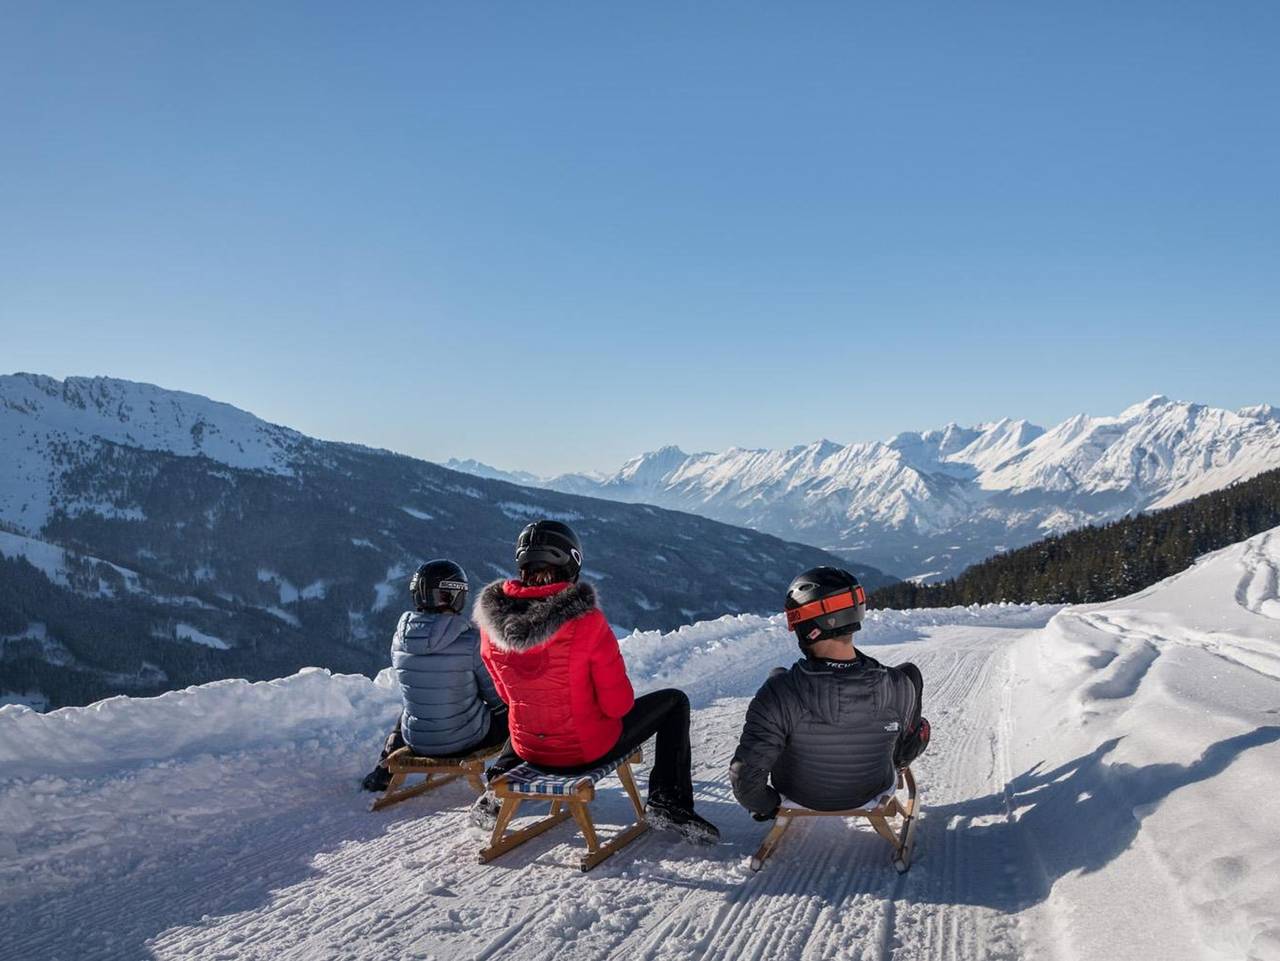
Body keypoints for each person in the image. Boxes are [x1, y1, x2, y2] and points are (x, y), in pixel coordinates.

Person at [471, 519, 719, 844]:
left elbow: (507, 696)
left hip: (529, 748)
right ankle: (668, 802)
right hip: (583, 752)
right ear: (572, 562)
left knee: (529, 707)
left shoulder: (492, 626)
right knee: (674, 702)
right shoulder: (586, 621)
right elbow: (618, 705)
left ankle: (498, 783)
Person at [729, 566, 931, 819]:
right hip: (872, 788)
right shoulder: (900, 684)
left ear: (807, 625)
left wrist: (767, 805)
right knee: (915, 701)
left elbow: (744, 778)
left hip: (799, 792)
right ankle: (898, 764)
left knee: (777, 676)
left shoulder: (779, 691)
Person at [361, 559, 509, 792]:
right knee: (510, 711)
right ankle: (512, 775)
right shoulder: (472, 641)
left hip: (416, 740)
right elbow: (495, 695)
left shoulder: (400, 639)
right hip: (466, 740)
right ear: (455, 595)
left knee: (413, 706)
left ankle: (383, 769)